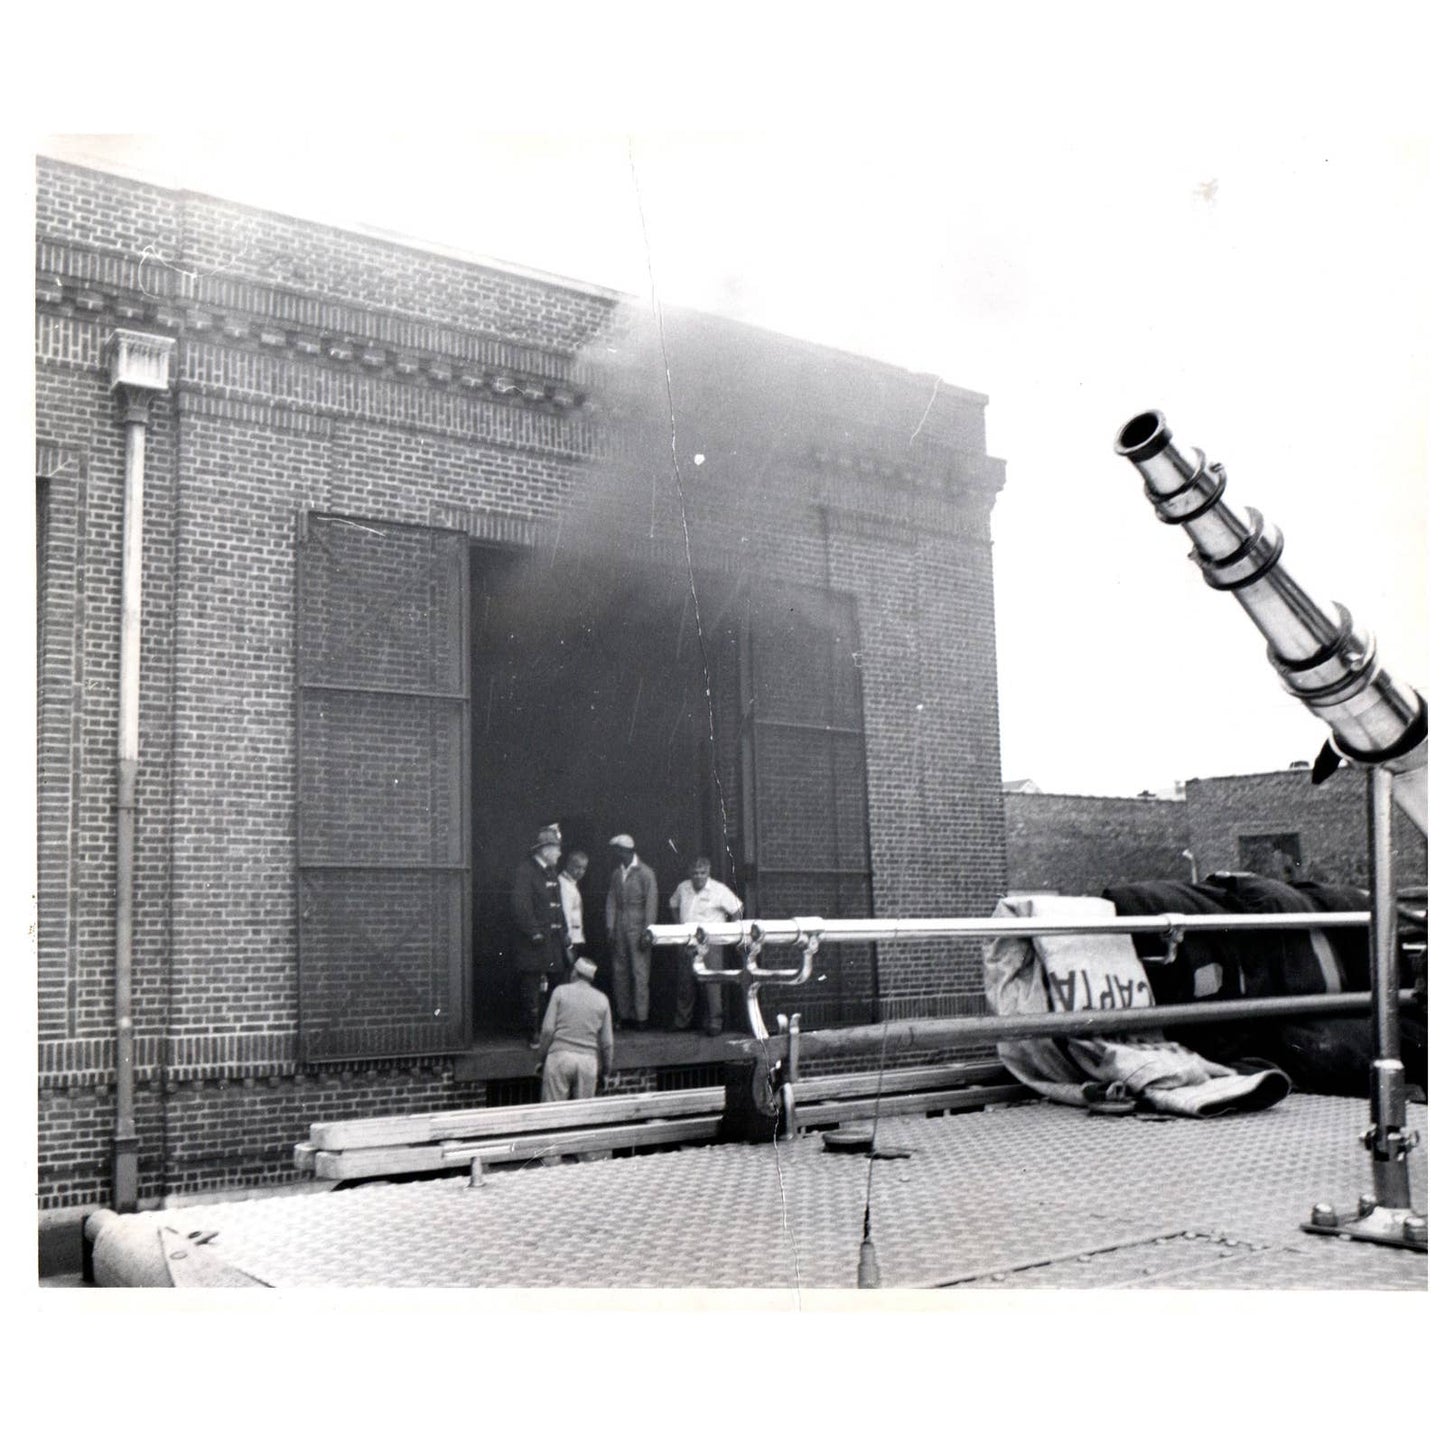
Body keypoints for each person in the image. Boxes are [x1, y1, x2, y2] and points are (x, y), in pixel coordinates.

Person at [668, 855, 744, 1035]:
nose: (698, 876)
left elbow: (738, 909)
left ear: (708, 873)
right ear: (690, 873)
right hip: (688, 942)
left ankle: (715, 1023)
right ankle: (682, 1021)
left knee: (712, 983)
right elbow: (672, 905)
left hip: (710, 944)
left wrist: (728, 932)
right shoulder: (683, 888)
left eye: (702, 873)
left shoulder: (719, 890)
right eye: (695, 873)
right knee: (685, 983)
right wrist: (678, 926)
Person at [511, 825, 569, 1046]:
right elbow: (520, 905)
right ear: (545, 849)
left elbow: (558, 907)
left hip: (553, 943)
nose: (559, 853)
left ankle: (552, 1031)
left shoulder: (550, 872)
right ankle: (532, 1033)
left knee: (556, 986)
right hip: (534, 944)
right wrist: (533, 931)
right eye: (557, 849)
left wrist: (564, 933)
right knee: (532, 989)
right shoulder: (526, 871)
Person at [538, 956, 614, 1103]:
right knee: (582, 1117)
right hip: (587, 1061)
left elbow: (547, 1030)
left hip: (559, 1058)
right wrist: (605, 1072)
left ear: (574, 973)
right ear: (591, 978)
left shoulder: (560, 992)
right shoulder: (602, 999)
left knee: (552, 1114)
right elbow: (607, 1043)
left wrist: (542, 1059)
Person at [605, 833, 658, 1028]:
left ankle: (641, 1016)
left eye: (618, 851)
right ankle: (624, 1014)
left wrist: (647, 931)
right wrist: (610, 926)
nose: (616, 855)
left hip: (638, 927)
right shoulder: (617, 873)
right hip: (620, 927)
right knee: (620, 971)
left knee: (640, 972)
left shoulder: (645, 873)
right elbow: (611, 900)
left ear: (626, 851)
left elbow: (651, 904)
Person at [558, 849, 588, 956]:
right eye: (577, 867)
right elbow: (565, 912)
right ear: (569, 865)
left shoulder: (572, 884)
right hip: (570, 939)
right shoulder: (565, 885)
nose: (580, 871)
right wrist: (568, 937)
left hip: (576, 936)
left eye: (584, 868)